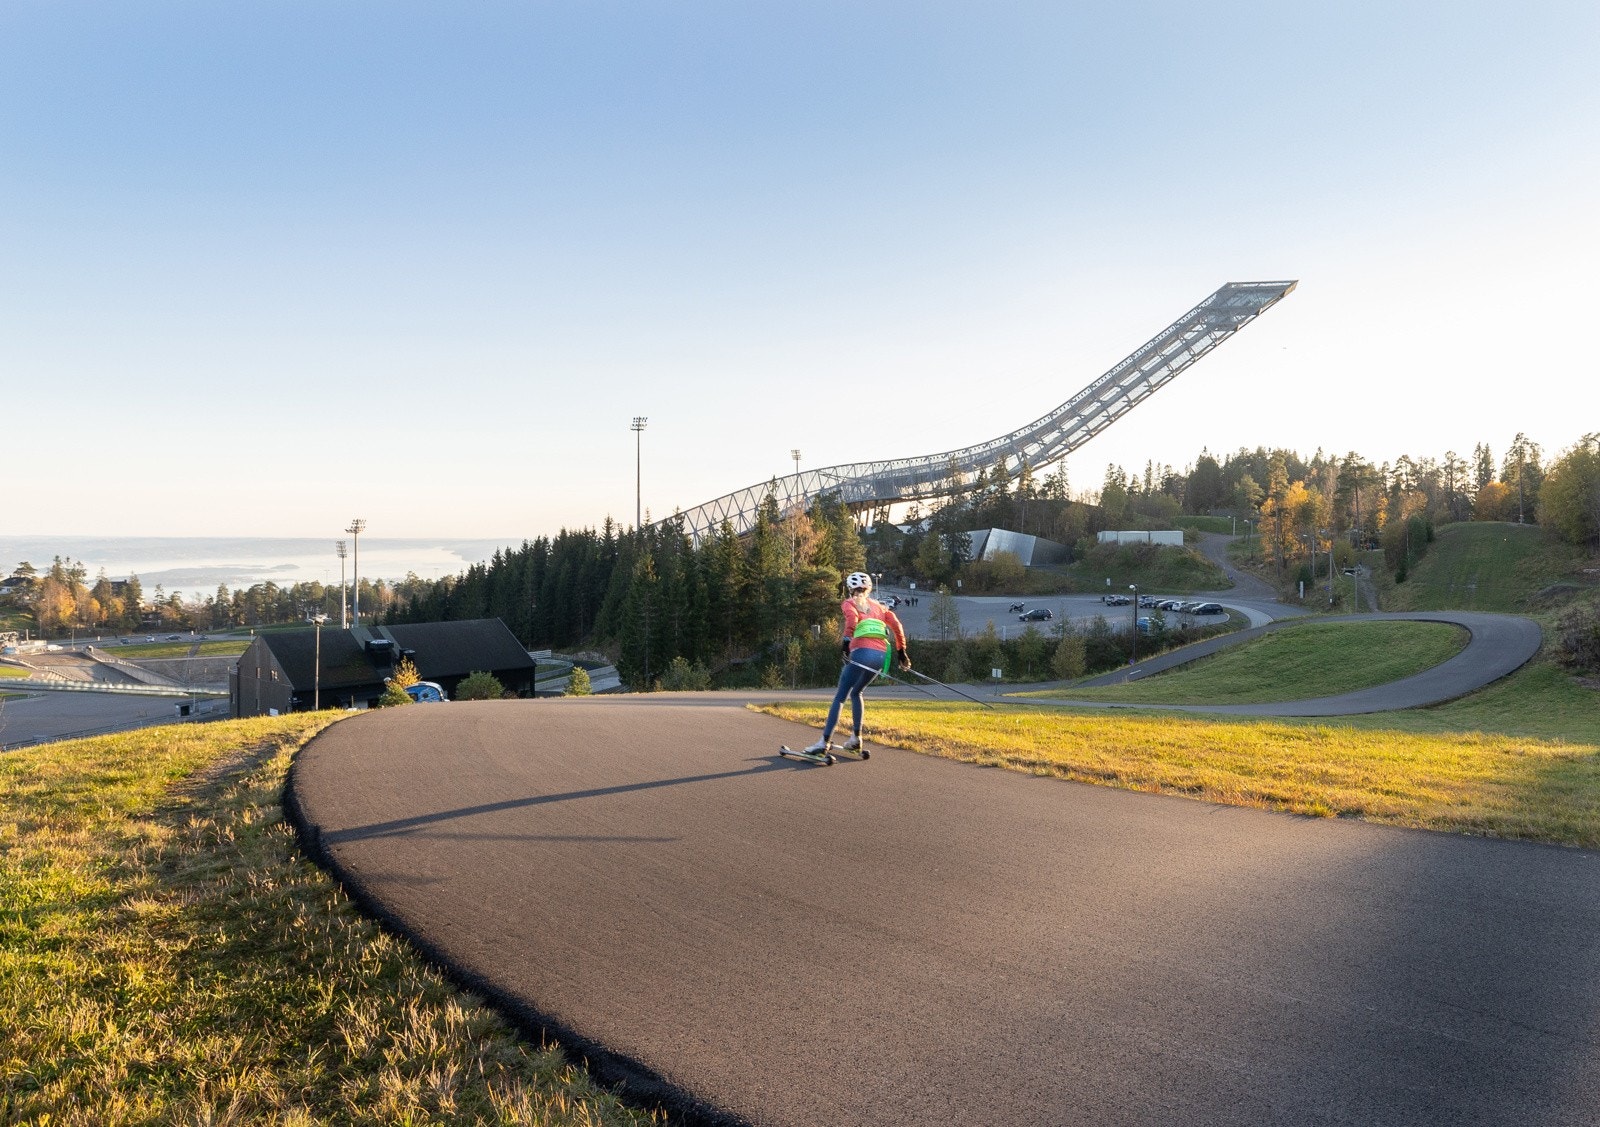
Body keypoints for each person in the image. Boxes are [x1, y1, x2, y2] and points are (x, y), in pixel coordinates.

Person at [803, 571, 910, 754]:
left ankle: (823, 742)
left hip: (861, 653)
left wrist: (846, 643)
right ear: (869, 588)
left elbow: (852, 620)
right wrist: (901, 652)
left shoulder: (849, 603)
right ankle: (856, 739)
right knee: (857, 692)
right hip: (880, 656)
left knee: (840, 696)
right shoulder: (880, 607)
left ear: (850, 589)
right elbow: (897, 626)